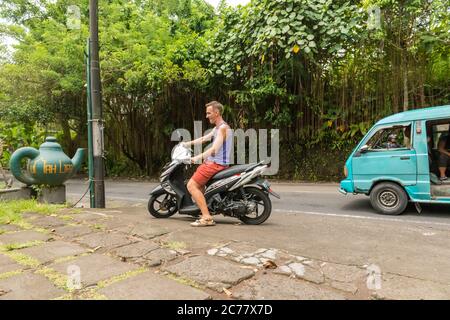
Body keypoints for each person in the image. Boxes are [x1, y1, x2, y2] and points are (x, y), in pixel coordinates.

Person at [182, 101, 233, 227]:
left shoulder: (222, 129)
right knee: (198, 185)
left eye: (209, 113)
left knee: (191, 186)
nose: (207, 116)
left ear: (216, 113)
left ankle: (206, 217)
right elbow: (204, 139)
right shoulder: (218, 127)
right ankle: (204, 208)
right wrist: (187, 144)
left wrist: (196, 158)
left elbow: (214, 149)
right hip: (214, 163)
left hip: (215, 164)